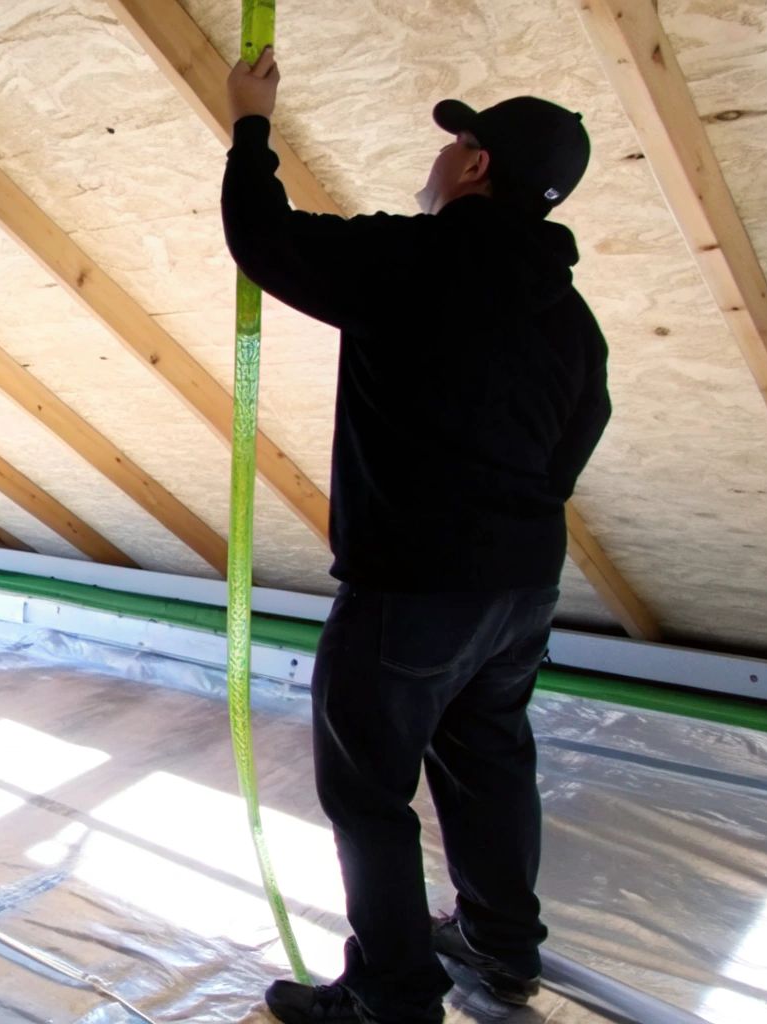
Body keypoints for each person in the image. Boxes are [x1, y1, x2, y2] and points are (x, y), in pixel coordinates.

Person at [219, 49, 610, 1024]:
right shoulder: (569, 316)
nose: (438, 162)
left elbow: (262, 238)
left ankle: (392, 995)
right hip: (518, 586)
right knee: (487, 760)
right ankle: (496, 942)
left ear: (475, 168)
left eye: (455, 144)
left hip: (410, 588)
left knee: (367, 794)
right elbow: (579, 430)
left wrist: (251, 124)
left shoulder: (417, 259)